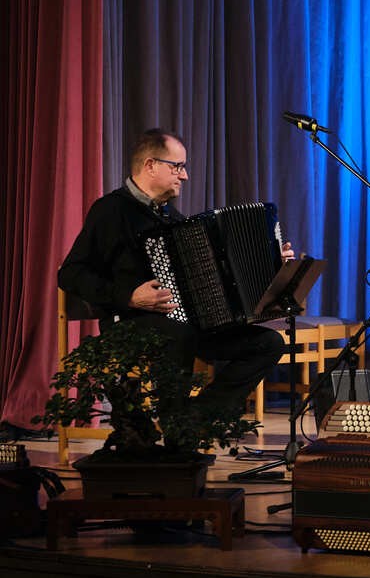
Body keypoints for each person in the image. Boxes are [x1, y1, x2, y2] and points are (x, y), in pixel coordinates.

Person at [58, 128, 289, 425]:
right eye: (177, 167)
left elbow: (214, 271)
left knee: (269, 343)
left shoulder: (171, 217)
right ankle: (175, 423)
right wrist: (129, 297)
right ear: (150, 165)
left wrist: (271, 261)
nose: (185, 176)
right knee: (179, 333)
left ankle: (196, 417)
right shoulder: (111, 210)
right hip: (128, 322)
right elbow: (71, 274)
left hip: (185, 324)